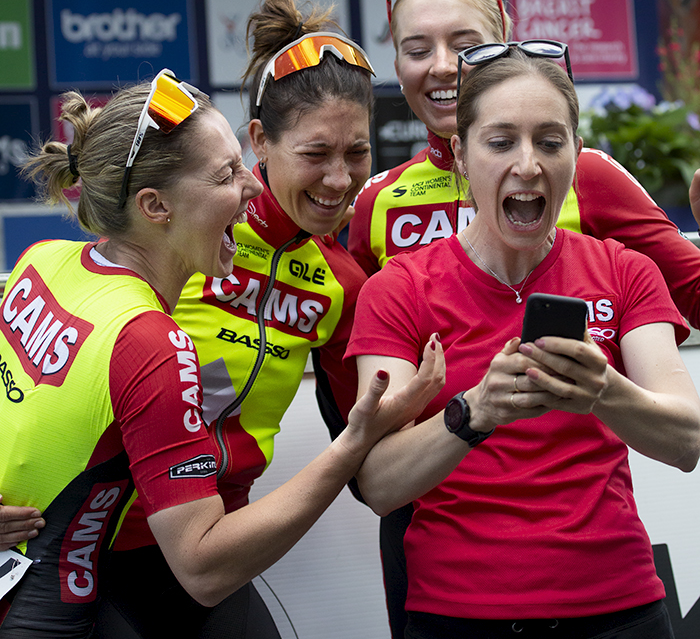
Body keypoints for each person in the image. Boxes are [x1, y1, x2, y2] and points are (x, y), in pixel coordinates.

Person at [0, 68, 445, 637]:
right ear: (156, 206)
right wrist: (353, 443)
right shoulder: (152, 342)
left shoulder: (44, 259)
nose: (253, 187)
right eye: (226, 174)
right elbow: (204, 567)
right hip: (100, 589)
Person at [345, 0, 700, 637]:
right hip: (456, 607)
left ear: (576, 150)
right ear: (465, 150)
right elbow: (376, 481)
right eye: (501, 141)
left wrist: (602, 389)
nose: (528, 164)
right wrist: (473, 411)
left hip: (618, 601)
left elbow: (686, 439)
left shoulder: (621, 267)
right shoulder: (394, 268)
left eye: (550, 141)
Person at [91, 0, 387, 638]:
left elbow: (376, 441)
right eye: (316, 154)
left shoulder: (343, 281)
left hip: (216, 542)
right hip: (97, 540)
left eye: (357, 153)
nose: (339, 179)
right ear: (260, 141)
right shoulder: (192, 224)